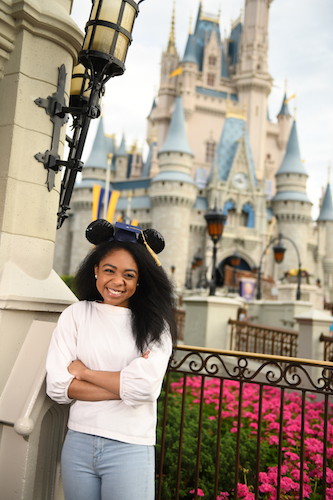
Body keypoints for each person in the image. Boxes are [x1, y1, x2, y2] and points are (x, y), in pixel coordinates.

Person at [46, 219, 177, 500]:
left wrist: (84, 372)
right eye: (109, 271)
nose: (117, 282)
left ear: (140, 279)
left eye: (129, 275)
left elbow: (145, 389)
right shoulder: (77, 314)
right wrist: (124, 386)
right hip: (78, 442)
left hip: (130, 447)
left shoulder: (155, 325)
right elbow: (57, 386)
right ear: (96, 270)